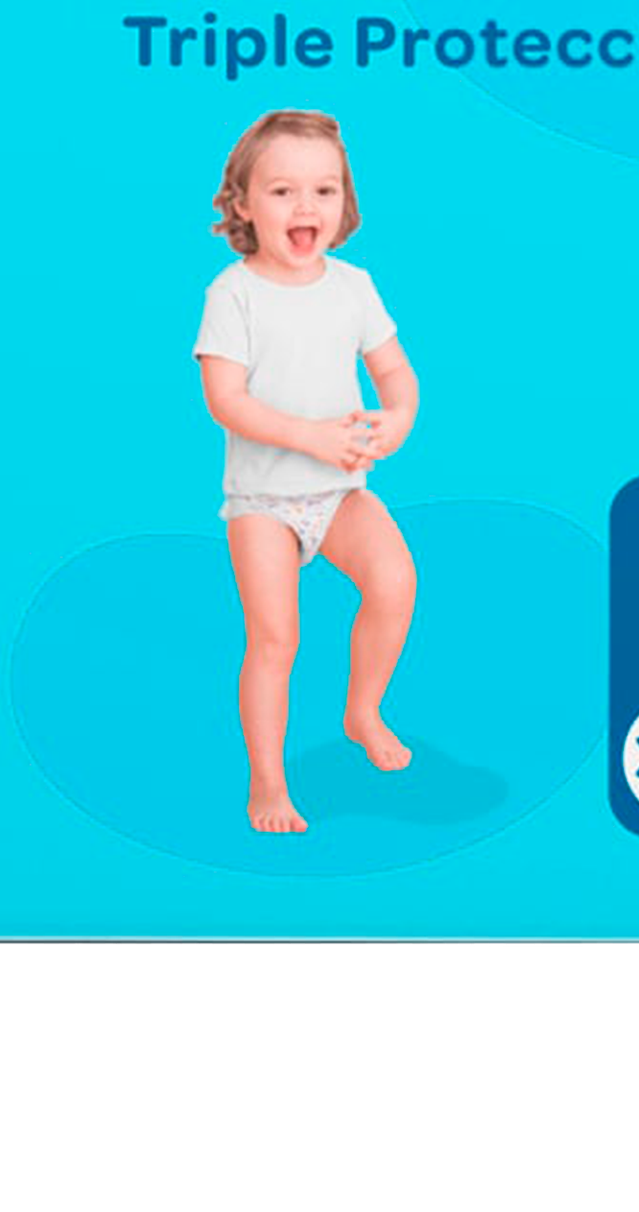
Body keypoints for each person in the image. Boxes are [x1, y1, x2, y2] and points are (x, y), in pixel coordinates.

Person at [194, 111, 420, 834]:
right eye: (283, 191)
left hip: (341, 492)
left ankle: (363, 712)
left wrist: (396, 422)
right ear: (242, 205)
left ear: (344, 202)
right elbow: (224, 400)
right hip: (263, 503)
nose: (306, 207)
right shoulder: (233, 293)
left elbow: (396, 374)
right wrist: (310, 438)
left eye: (324, 190)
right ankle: (268, 783)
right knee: (275, 640)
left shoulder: (353, 286)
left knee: (395, 582)